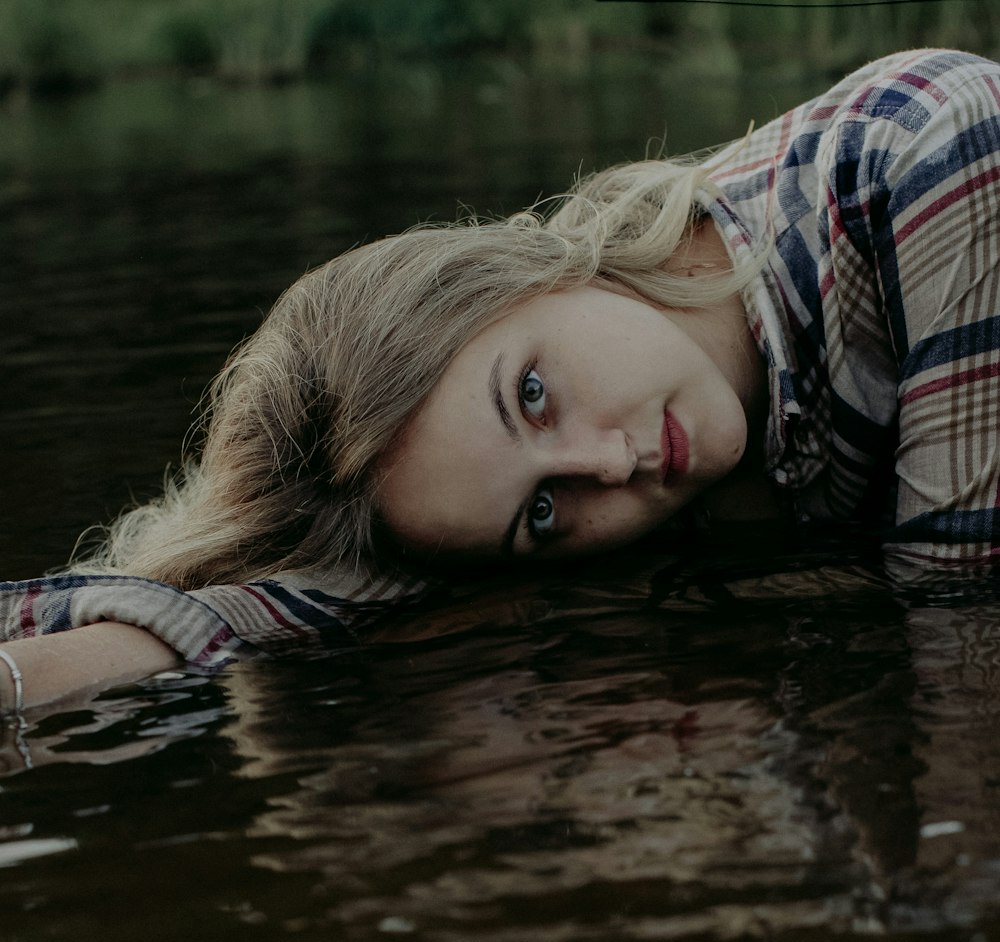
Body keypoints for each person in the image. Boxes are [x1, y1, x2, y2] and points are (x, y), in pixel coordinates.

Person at [3, 45, 1000, 728]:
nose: (612, 464)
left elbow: (964, 650)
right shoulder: (636, 474)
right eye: (542, 512)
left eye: (530, 394)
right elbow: (311, 600)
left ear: (525, 269)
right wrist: (71, 663)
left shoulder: (922, 158)